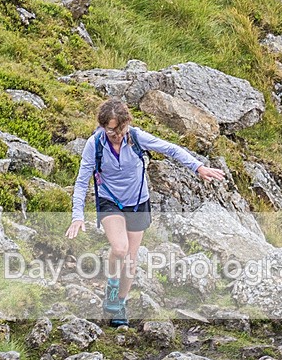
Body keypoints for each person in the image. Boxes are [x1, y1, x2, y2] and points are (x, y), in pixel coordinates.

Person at [65, 98, 225, 327]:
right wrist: (77, 215)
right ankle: (111, 288)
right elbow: (82, 181)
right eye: (111, 130)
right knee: (119, 249)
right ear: (102, 126)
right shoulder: (95, 144)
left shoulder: (137, 137)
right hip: (110, 201)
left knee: (131, 258)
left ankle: (120, 303)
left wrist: (198, 167)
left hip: (138, 202)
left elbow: (170, 149)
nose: (116, 134)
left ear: (126, 124)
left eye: (120, 129)